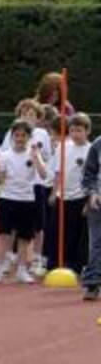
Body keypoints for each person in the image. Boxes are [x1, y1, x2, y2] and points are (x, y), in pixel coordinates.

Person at [0, 119, 46, 284]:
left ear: (29, 137)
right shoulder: (5, 156)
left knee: (25, 237)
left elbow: (43, 175)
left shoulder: (33, 154)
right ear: (12, 136)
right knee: (4, 236)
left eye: (23, 135)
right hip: (8, 199)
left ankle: (22, 270)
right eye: (17, 135)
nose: (20, 138)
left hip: (27, 200)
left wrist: (36, 158)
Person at [44, 113, 92, 274]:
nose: (75, 134)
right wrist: (54, 192)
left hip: (80, 197)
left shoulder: (91, 151)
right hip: (62, 196)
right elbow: (58, 172)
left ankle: (74, 265)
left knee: (76, 233)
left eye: (79, 130)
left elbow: (93, 177)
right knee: (56, 230)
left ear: (87, 131)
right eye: (72, 130)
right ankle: (53, 263)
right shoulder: (63, 147)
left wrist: (88, 201)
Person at [80, 125, 101, 300]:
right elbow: (88, 174)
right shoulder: (97, 145)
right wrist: (92, 193)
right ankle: (92, 283)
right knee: (96, 244)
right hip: (98, 202)